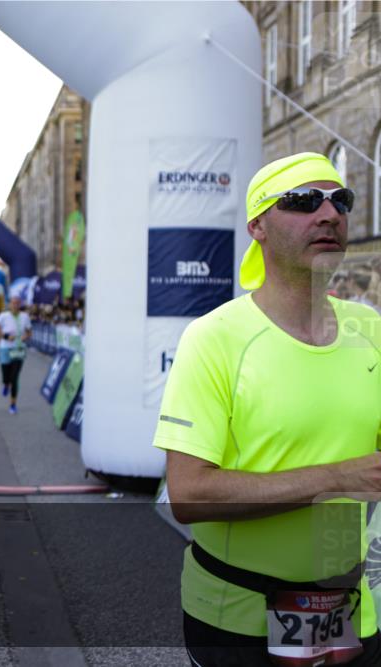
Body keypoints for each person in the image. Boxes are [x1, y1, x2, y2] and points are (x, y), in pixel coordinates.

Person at [154, 152, 381, 666]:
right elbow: (188, 494)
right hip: (238, 616)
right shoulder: (214, 338)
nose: (329, 215)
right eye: (302, 201)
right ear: (258, 225)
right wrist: (340, 478)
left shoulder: (370, 329)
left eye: (340, 201)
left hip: (354, 609)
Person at [0, 295, 32, 414]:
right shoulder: (3, 316)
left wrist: (25, 337)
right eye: (13, 303)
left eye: (17, 303)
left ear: (20, 304)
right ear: (9, 304)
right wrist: (7, 336)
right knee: (6, 377)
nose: (15, 305)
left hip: (19, 349)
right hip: (5, 349)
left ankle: (13, 405)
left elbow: (29, 332)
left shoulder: (25, 316)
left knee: (15, 377)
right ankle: (6, 384)